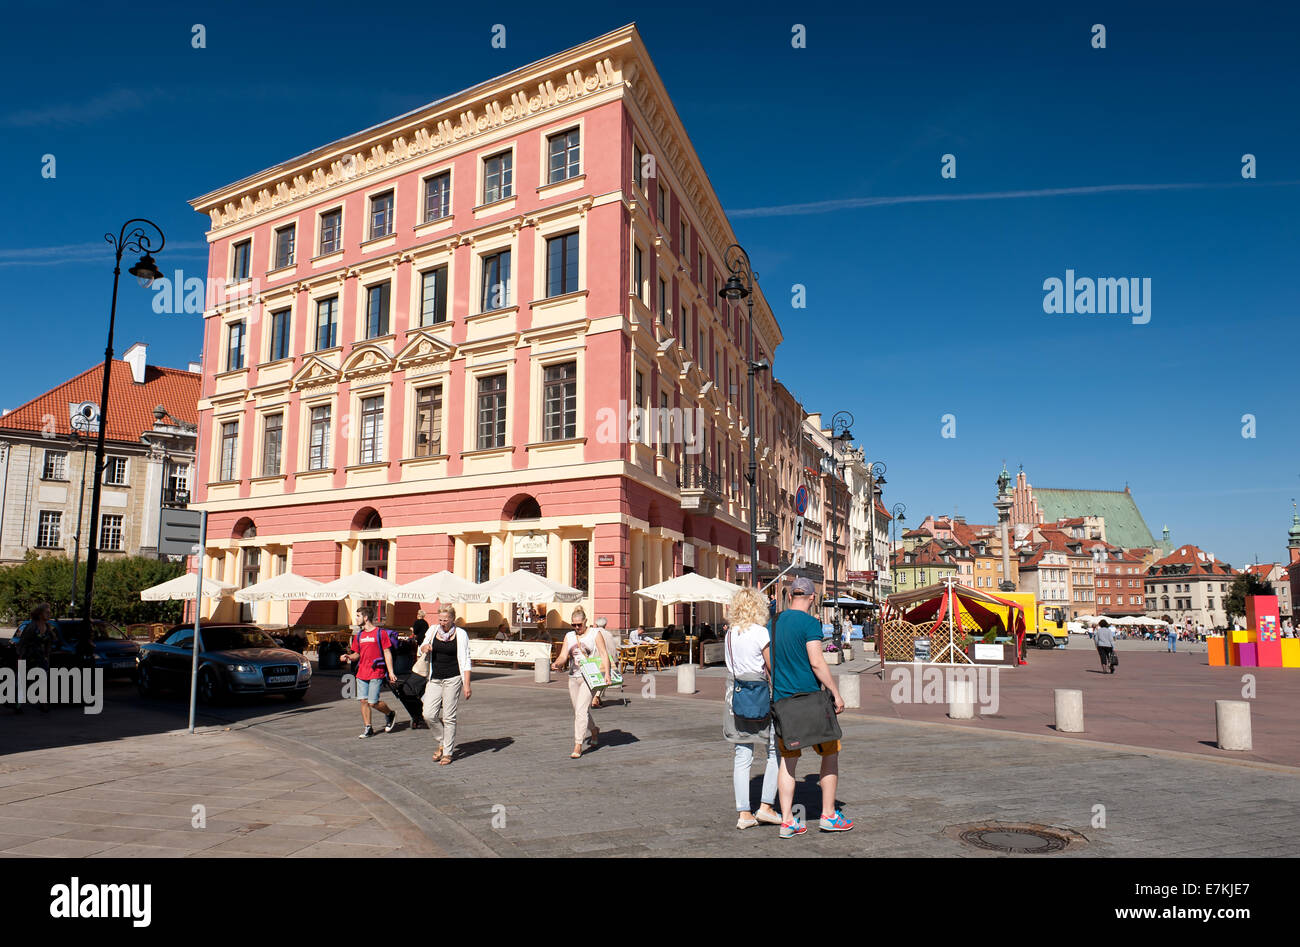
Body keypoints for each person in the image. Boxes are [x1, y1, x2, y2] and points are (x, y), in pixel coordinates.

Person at [771, 576, 851, 838]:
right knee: (831, 752)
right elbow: (817, 662)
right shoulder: (810, 623)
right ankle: (828, 815)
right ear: (812, 597)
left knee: (788, 761)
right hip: (812, 701)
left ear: (791, 595)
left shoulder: (774, 621)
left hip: (783, 701)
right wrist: (836, 693)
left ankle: (786, 821)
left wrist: (782, 679)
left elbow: (767, 661)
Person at [723, 586, 781, 830]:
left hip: (735, 695)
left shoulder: (729, 634)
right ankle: (766, 806)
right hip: (759, 694)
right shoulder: (761, 632)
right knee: (773, 749)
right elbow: (771, 666)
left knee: (742, 753)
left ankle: (744, 813)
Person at [551, 606, 609, 758]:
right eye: (574, 625)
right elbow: (563, 655)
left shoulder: (595, 634)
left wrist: (607, 674)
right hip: (573, 677)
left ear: (585, 622)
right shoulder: (569, 636)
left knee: (581, 711)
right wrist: (557, 663)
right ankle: (594, 730)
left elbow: (604, 654)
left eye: (579, 624)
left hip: (589, 677)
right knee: (579, 710)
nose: (577, 628)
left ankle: (578, 745)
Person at [418, 605, 472, 764]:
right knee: (428, 713)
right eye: (440, 619)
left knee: (449, 717)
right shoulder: (433, 630)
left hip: (453, 678)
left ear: (452, 619)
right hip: (434, 678)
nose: (442, 623)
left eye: (445, 620)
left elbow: (466, 660)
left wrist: (467, 685)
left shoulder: (461, 634)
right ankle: (442, 740)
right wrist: (425, 647)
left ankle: (448, 752)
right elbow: (421, 648)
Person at [341, 606, 398, 738]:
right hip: (362, 673)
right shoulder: (359, 635)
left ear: (365, 617)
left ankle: (390, 713)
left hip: (376, 671)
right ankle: (368, 728)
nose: (356, 618)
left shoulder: (380, 633)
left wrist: (391, 672)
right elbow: (357, 654)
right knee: (363, 701)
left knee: (373, 702)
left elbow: (387, 652)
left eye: (358, 616)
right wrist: (349, 657)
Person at [15, 603, 57, 714]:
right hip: (28, 656)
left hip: (40, 658)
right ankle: (17, 705)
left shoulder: (48, 627)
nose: (49, 614)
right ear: (39, 614)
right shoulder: (31, 626)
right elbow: (22, 642)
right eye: (46, 612)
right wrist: (20, 656)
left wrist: (47, 656)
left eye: (49, 612)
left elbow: (49, 642)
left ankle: (43, 704)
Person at [591, 617, 616, 708]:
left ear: (596, 624)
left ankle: (596, 698)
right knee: (604, 680)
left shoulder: (592, 633)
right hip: (605, 660)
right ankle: (595, 698)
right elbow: (612, 649)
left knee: (595, 679)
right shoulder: (608, 634)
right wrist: (614, 660)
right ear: (605, 625)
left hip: (593, 659)